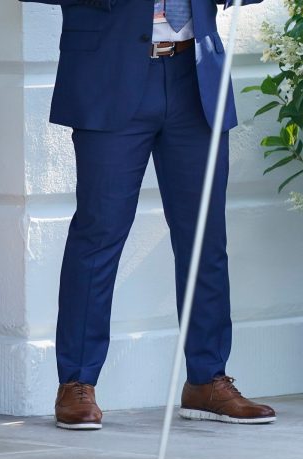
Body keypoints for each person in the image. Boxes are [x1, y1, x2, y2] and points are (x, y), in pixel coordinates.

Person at [21, 0, 276, 430]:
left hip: (195, 75)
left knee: (204, 240)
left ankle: (206, 379)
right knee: (99, 233)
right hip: (110, 73)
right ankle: (76, 383)